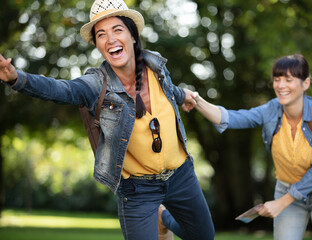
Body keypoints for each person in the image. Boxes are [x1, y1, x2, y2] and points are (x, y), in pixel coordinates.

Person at [0, 0, 215, 239]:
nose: (110, 39)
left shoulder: (156, 66)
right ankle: (156, 215)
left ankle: (163, 218)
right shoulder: (96, 84)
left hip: (181, 175)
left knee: (204, 236)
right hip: (138, 189)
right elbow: (62, 89)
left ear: (133, 36)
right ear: (98, 46)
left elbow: (170, 90)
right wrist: (15, 78)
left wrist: (184, 95)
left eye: (117, 30)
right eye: (101, 34)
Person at [191, 54, 312, 240]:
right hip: (286, 188)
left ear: (305, 83)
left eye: (288, 79)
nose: (281, 85)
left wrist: (281, 203)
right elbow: (233, 118)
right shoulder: (271, 110)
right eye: (277, 79)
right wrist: (196, 100)